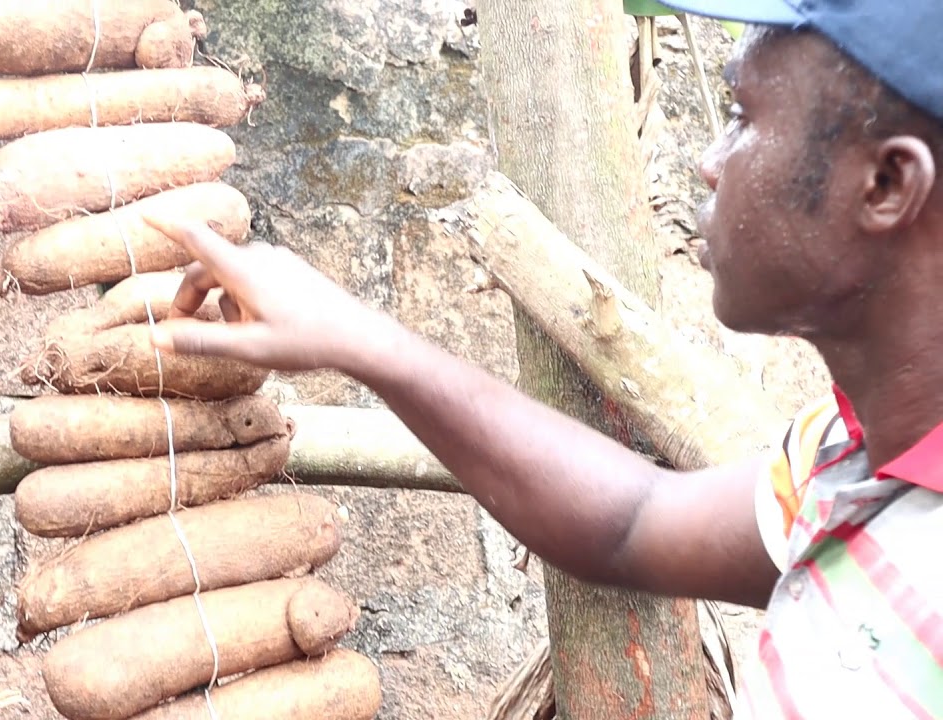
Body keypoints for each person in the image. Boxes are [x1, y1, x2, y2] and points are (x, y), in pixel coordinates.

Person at [138, 0, 943, 717]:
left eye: (742, 113)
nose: (708, 159)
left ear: (887, 183)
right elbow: (634, 521)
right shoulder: (845, 456)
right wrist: (358, 338)